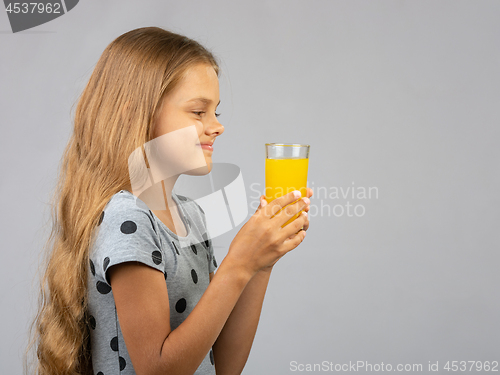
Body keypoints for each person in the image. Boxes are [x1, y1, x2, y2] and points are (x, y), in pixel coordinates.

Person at [28, 26, 312, 375]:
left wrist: (260, 264)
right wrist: (238, 263)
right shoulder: (127, 217)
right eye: (198, 112)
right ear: (138, 114)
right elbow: (159, 369)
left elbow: (223, 364)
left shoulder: (191, 217)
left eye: (216, 113)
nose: (217, 126)